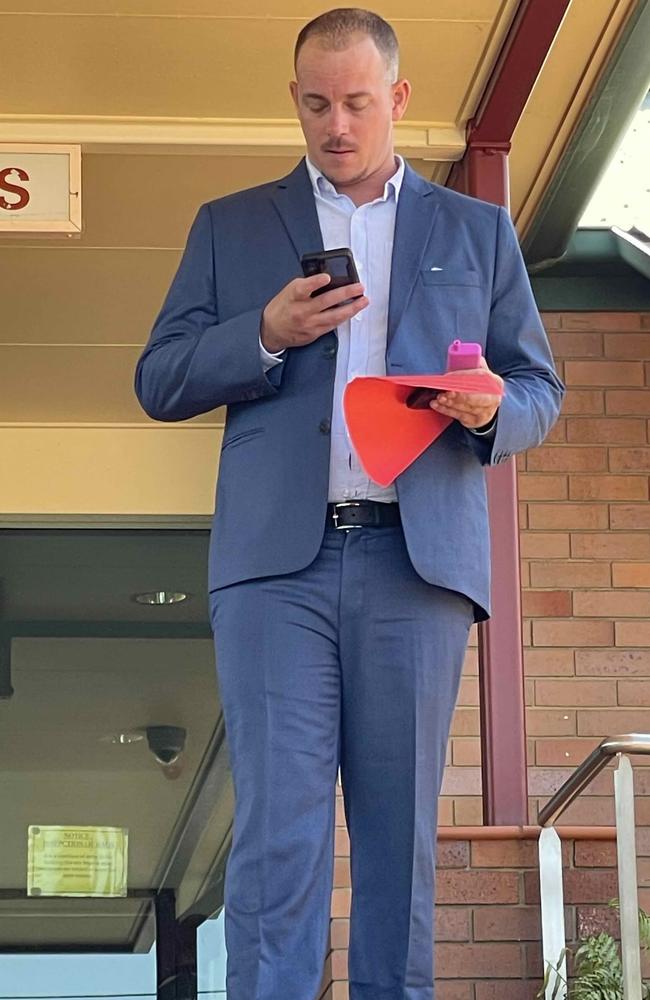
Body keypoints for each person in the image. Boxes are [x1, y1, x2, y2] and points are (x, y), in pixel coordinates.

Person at [135, 8, 563, 999]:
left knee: (395, 842)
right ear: (294, 100)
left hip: (412, 568)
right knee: (277, 836)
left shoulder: (474, 232)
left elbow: (538, 390)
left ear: (397, 101)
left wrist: (490, 408)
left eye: (357, 103)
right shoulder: (230, 225)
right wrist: (266, 331)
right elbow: (158, 379)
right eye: (317, 103)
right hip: (274, 573)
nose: (336, 123)